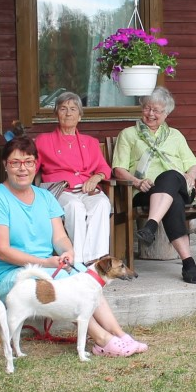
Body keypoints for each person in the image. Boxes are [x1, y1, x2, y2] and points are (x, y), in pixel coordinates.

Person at [0, 135, 146, 358]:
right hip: (9, 275)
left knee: (88, 278)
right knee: (62, 280)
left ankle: (119, 334)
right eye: (15, 163)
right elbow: (2, 251)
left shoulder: (45, 197)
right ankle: (102, 340)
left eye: (28, 162)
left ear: (35, 164)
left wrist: (67, 251)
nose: (22, 169)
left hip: (45, 267)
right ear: (5, 166)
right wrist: (45, 262)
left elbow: (60, 237)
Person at [111, 86, 196, 284]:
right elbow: (118, 168)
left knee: (170, 176)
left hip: (180, 184)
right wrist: (137, 181)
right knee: (174, 202)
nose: (151, 114)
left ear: (166, 113)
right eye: (147, 108)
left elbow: (193, 163)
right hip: (145, 190)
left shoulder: (175, 136)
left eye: (157, 110)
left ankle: (151, 226)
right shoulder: (128, 135)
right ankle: (188, 264)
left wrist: (190, 174)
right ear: (141, 108)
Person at [34, 92, 112, 264]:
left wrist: (96, 177)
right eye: (63, 108)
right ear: (56, 113)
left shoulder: (90, 142)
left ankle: (95, 259)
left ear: (80, 116)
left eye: (73, 109)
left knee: (102, 203)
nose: (68, 113)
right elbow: (33, 167)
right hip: (59, 190)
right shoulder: (43, 140)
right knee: (75, 207)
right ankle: (77, 261)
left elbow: (103, 167)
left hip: (86, 189)